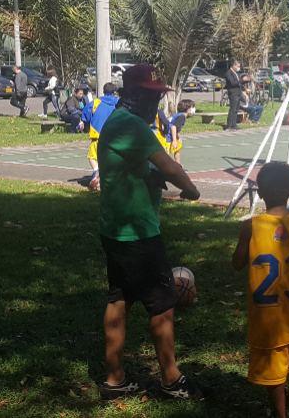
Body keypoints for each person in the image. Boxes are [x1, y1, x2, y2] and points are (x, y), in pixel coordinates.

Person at [96, 64, 203, 401]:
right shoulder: (132, 125)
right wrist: (192, 190)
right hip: (138, 233)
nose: (156, 102)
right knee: (161, 306)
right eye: (152, 95)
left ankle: (115, 379)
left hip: (115, 228)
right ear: (135, 95)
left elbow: (141, 169)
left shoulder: (117, 122)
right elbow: (170, 166)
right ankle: (172, 381)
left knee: (119, 299)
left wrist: (156, 179)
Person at [232, 162, 289, 418]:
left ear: (259, 192)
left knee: (274, 376)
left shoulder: (250, 227)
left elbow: (237, 263)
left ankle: (279, 414)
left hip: (268, 318)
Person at [81, 83, 120, 189]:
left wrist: (82, 122)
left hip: (98, 137)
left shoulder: (96, 102)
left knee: (92, 157)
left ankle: (96, 172)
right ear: (114, 92)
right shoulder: (118, 103)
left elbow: (85, 114)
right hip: (113, 138)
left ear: (103, 91)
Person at [167, 99, 195, 164]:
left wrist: (178, 137)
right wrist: (174, 140)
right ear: (187, 109)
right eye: (192, 107)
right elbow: (173, 127)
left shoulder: (179, 115)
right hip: (167, 137)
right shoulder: (182, 116)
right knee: (166, 154)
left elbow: (177, 128)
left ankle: (178, 164)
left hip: (170, 135)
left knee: (177, 149)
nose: (194, 109)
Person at [225, 60, 243, 131]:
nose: (239, 68)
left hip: (238, 93)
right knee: (232, 109)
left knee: (236, 109)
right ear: (233, 65)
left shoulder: (236, 73)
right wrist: (240, 81)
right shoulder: (228, 73)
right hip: (233, 93)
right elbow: (232, 83)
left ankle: (234, 124)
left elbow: (239, 83)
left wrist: (244, 81)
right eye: (238, 66)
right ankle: (229, 125)